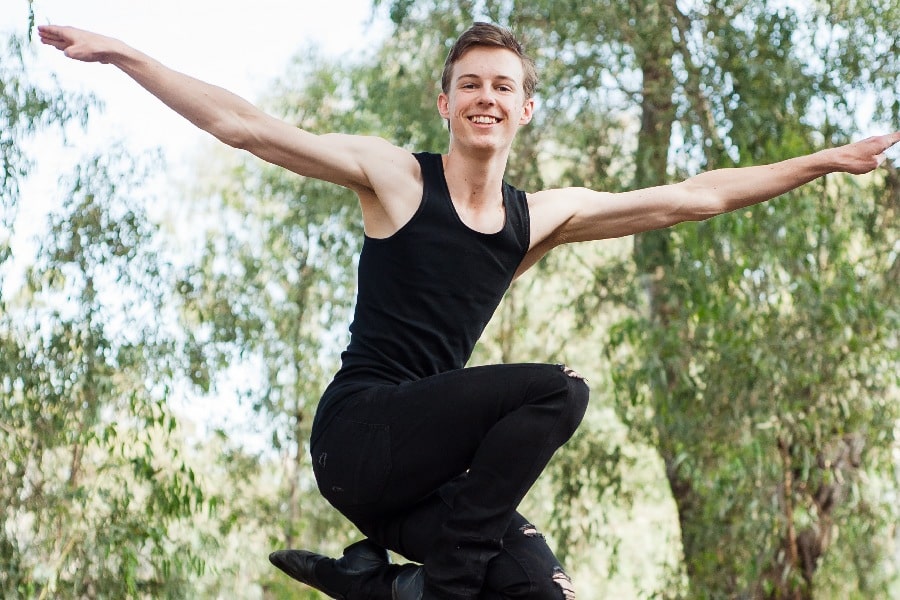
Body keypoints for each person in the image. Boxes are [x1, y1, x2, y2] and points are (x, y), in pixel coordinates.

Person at [39, 19, 898, 600]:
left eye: (503, 86)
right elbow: (247, 128)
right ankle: (439, 590)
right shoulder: (395, 177)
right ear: (445, 103)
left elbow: (692, 198)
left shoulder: (539, 218)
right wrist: (127, 56)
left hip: (413, 480)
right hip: (359, 435)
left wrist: (824, 161)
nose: (487, 96)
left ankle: (387, 586)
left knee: (541, 587)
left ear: (525, 109)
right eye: (471, 84)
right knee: (559, 388)